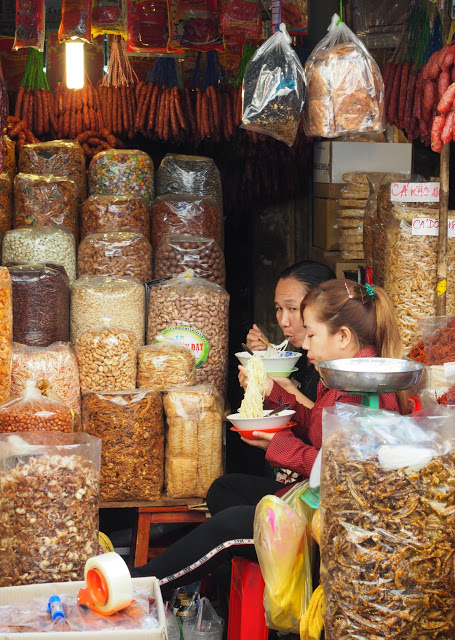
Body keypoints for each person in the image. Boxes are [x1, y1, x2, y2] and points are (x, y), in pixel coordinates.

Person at [131, 280, 405, 588]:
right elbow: (318, 427)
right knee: (226, 489)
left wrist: (278, 444)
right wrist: (270, 391)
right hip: (316, 498)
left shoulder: (360, 387)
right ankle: (256, 582)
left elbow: (337, 470)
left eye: (311, 334)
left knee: (229, 527)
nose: (305, 344)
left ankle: (138, 584)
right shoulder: (339, 377)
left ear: (343, 337)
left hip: (334, 520)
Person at [246, 260, 336, 403]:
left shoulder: (337, 366)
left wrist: (287, 389)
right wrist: (265, 359)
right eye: (279, 309)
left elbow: (326, 422)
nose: (283, 322)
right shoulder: (301, 357)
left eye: (292, 308)